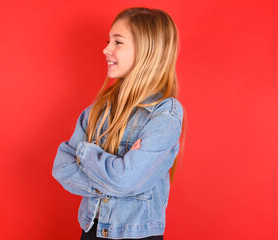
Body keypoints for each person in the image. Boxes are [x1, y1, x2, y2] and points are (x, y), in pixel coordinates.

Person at [52, 7, 187, 240]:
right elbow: (62, 168)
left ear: (147, 50)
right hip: (91, 231)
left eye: (118, 42)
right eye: (108, 41)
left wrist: (84, 153)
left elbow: (125, 180)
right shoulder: (97, 110)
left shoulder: (165, 114)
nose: (106, 49)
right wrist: (116, 173)